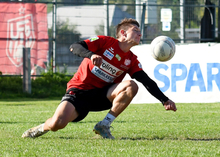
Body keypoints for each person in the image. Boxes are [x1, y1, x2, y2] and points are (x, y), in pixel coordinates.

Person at [22, 18, 177, 140]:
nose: (139, 34)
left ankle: (104, 125)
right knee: (57, 124)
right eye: (135, 30)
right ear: (123, 33)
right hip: (80, 91)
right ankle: (40, 129)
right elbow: (74, 46)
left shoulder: (131, 59)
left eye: (139, 31)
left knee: (132, 85)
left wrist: (165, 100)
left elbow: (146, 81)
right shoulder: (105, 42)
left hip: (102, 95)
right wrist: (91, 55)